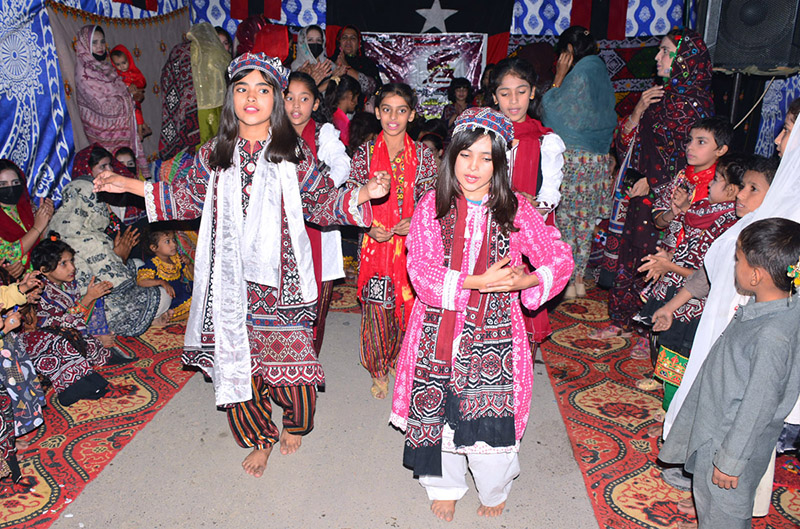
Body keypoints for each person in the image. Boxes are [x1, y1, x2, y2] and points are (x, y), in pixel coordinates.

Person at [94, 52, 388, 478]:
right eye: (243, 88)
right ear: (231, 96)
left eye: (263, 89)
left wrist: (362, 195)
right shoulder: (216, 152)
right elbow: (183, 197)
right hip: (230, 280)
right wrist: (126, 184)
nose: (252, 97)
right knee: (238, 364)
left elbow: (323, 201)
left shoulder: (292, 152)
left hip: (283, 280)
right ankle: (260, 438)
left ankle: (296, 423)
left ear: (277, 98)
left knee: (293, 367)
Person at [390, 107, 573, 521]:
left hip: (497, 335)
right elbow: (420, 270)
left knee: (492, 419)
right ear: (451, 155)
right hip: (438, 327)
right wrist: (477, 282)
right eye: (466, 155)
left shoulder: (516, 209)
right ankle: (445, 484)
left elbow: (558, 256)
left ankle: (494, 487)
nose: (474, 167)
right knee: (437, 411)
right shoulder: (432, 206)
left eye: (486, 158)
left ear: (500, 163)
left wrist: (527, 282)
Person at [659, 218, 800, 529]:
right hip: (722, 425)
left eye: (738, 259)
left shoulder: (771, 335)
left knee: (724, 512)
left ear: (755, 275)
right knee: (709, 501)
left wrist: (730, 461)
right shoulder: (785, 305)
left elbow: (758, 405)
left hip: (728, 440)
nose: (735, 264)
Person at [600, 30, 714, 332]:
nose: (656, 57)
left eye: (664, 51)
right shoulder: (656, 98)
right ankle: (620, 318)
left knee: (657, 260)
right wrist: (637, 111)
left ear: (684, 60)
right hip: (639, 192)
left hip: (671, 199)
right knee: (631, 254)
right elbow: (626, 147)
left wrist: (654, 183)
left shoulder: (695, 106)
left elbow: (693, 158)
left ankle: (648, 328)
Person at [347, 83, 438, 400]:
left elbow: (433, 202)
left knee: (410, 308)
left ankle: (402, 358)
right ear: (376, 112)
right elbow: (352, 196)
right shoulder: (365, 154)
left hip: (411, 249)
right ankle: (377, 368)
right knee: (376, 308)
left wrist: (415, 223)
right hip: (376, 247)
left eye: (401, 110)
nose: (393, 117)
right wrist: (368, 226)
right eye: (387, 109)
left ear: (412, 114)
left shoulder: (425, 156)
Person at [636, 154, 744, 403]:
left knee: (680, 348)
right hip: (679, 287)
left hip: (695, 301)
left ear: (731, 189)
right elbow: (689, 245)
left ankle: (670, 405)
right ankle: (663, 383)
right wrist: (668, 257)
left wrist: (669, 265)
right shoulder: (706, 209)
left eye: (716, 180)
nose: (710, 185)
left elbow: (707, 273)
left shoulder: (728, 223)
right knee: (666, 336)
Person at [490, 57, 565, 347]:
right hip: (491, 222)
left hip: (529, 228)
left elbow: (551, 191)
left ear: (532, 92)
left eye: (521, 91)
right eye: (505, 93)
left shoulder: (546, 140)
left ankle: (523, 353)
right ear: (495, 97)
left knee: (524, 286)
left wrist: (534, 206)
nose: (513, 100)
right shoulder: (486, 136)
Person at [540, 26, 617, 299]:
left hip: (573, 160)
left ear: (569, 51)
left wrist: (559, 78)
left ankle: (568, 283)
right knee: (585, 225)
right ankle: (580, 281)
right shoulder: (600, 72)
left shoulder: (580, 73)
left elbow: (550, 113)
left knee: (565, 223)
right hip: (596, 162)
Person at [285, 71, 351, 354]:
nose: (296, 106)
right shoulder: (268, 133)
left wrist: (318, 188)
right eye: (289, 98)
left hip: (317, 225)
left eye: (304, 99)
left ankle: (308, 361)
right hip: (280, 227)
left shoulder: (324, 132)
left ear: (314, 104)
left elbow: (342, 165)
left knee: (315, 305)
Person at [32, 234, 133, 362]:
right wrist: (88, 298)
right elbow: (61, 322)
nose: (72, 268)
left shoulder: (68, 283)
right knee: (86, 305)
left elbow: (76, 309)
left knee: (97, 297)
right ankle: (96, 343)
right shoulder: (40, 291)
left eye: (71, 261)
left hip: (74, 326)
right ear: (45, 270)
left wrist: (94, 295)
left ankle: (96, 338)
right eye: (63, 264)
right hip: (53, 337)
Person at [73, 25, 149, 179]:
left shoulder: (107, 67)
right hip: (103, 134)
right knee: (111, 172)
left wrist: (132, 93)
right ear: (85, 45)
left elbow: (123, 91)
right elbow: (102, 107)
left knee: (127, 170)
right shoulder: (84, 73)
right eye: (94, 43)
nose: (100, 46)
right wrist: (129, 96)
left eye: (102, 42)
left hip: (124, 133)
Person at [0, 160, 53, 279]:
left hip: (41, 275)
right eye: (3, 185)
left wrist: (46, 221)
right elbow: (8, 256)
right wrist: (37, 228)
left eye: (15, 182)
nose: (10, 187)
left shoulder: (29, 208)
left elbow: (43, 243)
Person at [136, 229, 192, 321]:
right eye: (167, 241)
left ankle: (171, 316)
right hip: (167, 300)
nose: (173, 244)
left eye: (174, 240)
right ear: (154, 248)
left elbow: (192, 276)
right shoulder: (153, 263)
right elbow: (141, 281)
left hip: (180, 294)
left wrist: (189, 264)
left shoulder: (176, 259)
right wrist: (161, 282)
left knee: (197, 301)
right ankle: (166, 315)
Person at [330, 25, 381, 106]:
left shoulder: (367, 64)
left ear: (359, 44)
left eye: (353, 38)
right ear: (339, 42)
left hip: (360, 112)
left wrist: (346, 68)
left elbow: (373, 88)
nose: (348, 41)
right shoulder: (329, 62)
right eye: (344, 37)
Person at [110, 45, 152, 141]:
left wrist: (134, 85)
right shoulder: (115, 75)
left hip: (134, 98)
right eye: (118, 64)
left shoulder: (134, 72)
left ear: (129, 59)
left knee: (136, 111)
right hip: (123, 103)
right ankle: (145, 127)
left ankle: (140, 133)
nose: (121, 66)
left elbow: (142, 82)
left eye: (124, 63)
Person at [324, 75, 361, 147]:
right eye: (357, 97)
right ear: (350, 96)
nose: (357, 103)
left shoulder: (329, 114)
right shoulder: (341, 122)